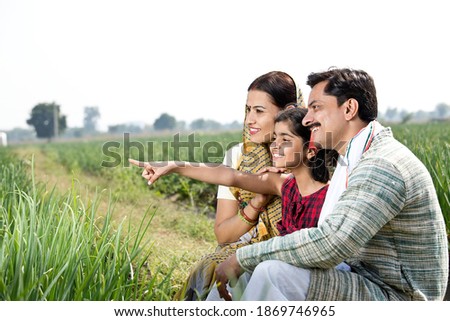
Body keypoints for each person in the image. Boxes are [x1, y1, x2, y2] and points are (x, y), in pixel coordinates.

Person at [206, 67, 448, 301]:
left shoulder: (383, 165)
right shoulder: (351, 157)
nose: (308, 119)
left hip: (396, 296)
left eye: (316, 108)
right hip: (359, 275)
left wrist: (242, 257)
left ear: (349, 108)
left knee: (272, 272)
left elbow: (331, 243)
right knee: (254, 270)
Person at [129, 107, 336, 296]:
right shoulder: (283, 185)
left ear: (310, 151)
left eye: (285, 139)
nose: (275, 146)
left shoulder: (330, 196)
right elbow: (230, 176)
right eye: (275, 138)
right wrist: (172, 166)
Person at [175, 71, 302, 300]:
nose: (249, 120)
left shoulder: (309, 161)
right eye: (248, 110)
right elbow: (223, 235)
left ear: (288, 111)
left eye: (259, 111)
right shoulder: (238, 156)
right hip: (244, 252)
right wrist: (256, 202)